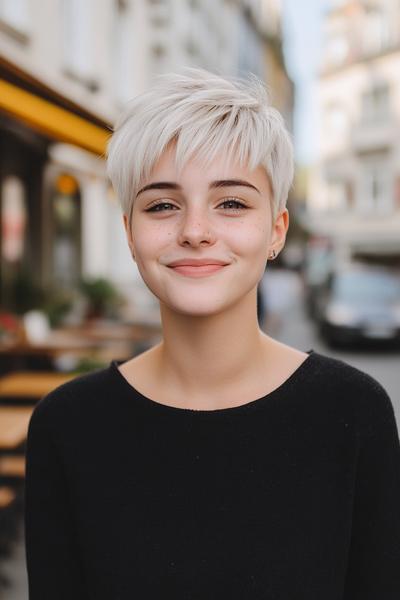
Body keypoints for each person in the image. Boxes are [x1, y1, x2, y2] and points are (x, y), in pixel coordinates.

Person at [24, 68, 400, 599]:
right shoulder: (67, 426)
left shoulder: (354, 414)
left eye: (231, 202)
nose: (195, 230)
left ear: (276, 230)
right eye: (161, 204)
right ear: (130, 233)